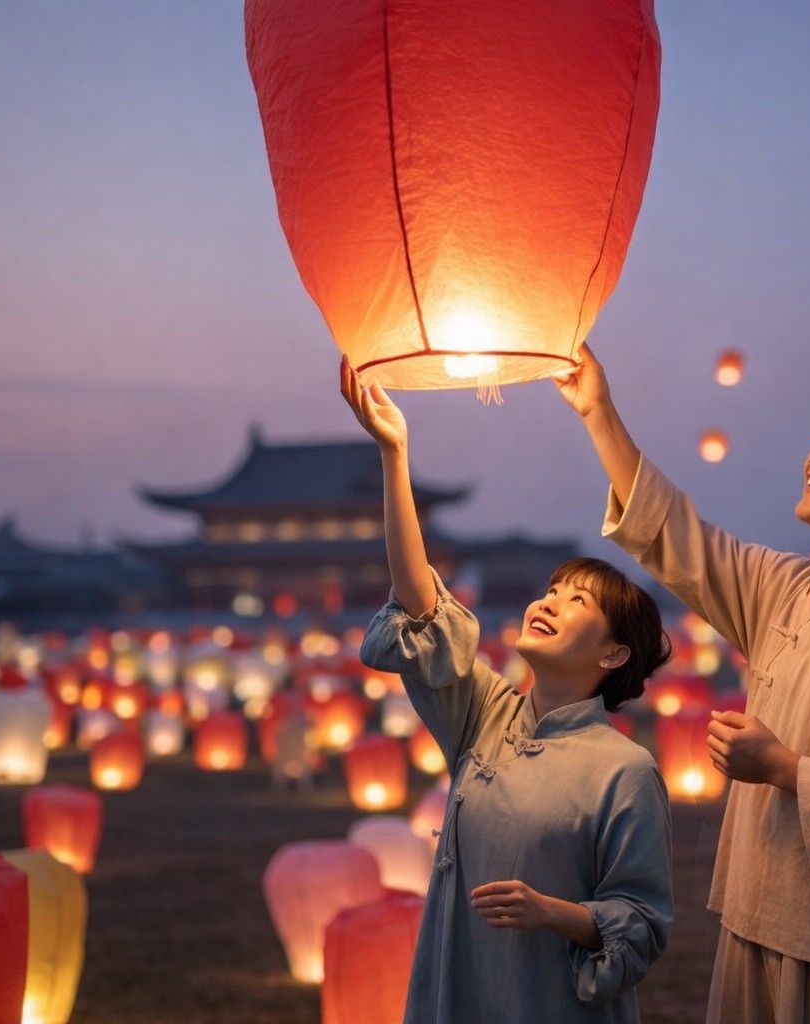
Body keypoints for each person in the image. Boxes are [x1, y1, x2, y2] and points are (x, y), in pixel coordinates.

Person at [555, 345, 810, 1024]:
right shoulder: (784, 590)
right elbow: (674, 534)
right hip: (752, 917)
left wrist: (780, 768)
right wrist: (599, 412)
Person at [343, 356, 675, 1024]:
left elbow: (643, 925)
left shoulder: (625, 771)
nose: (549, 602)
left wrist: (553, 913)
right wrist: (394, 453)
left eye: (576, 600)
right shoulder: (485, 716)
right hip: (461, 992)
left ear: (614, 654)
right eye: (551, 590)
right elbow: (421, 610)